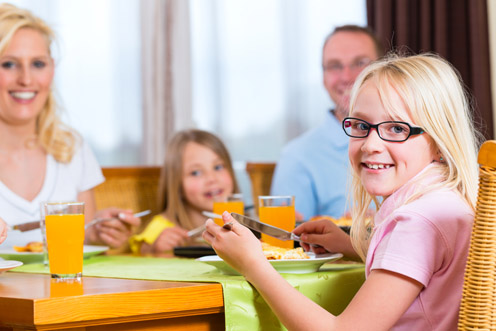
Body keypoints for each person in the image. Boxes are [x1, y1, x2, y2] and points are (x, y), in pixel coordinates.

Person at [203, 53, 480, 329]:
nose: (370, 144)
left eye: (396, 128)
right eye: (361, 125)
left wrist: (253, 264)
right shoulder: (444, 203)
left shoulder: (417, 220)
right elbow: (427, 268)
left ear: (440, 143)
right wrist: (351, 246)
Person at [0, 3, 140, 249]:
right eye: (9, 64)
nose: (26, 79)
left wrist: (96, 234)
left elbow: (80, 241)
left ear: (52, 69)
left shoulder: (71, 147)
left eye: (38, 64)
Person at [271, 25, 383, 220]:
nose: (347, 77)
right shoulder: (297, 157)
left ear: (384, 69)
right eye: (335, 66)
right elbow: (284, 241)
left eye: (360, 63)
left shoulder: (417, 140)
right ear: (323, 78)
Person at [129, 129, 240, 256]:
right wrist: (153, 247)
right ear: (177, 185)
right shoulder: (163, 225)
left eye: (218, 167)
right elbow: (139, 250)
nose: (212, 179)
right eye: (196, 172)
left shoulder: (243, 225)